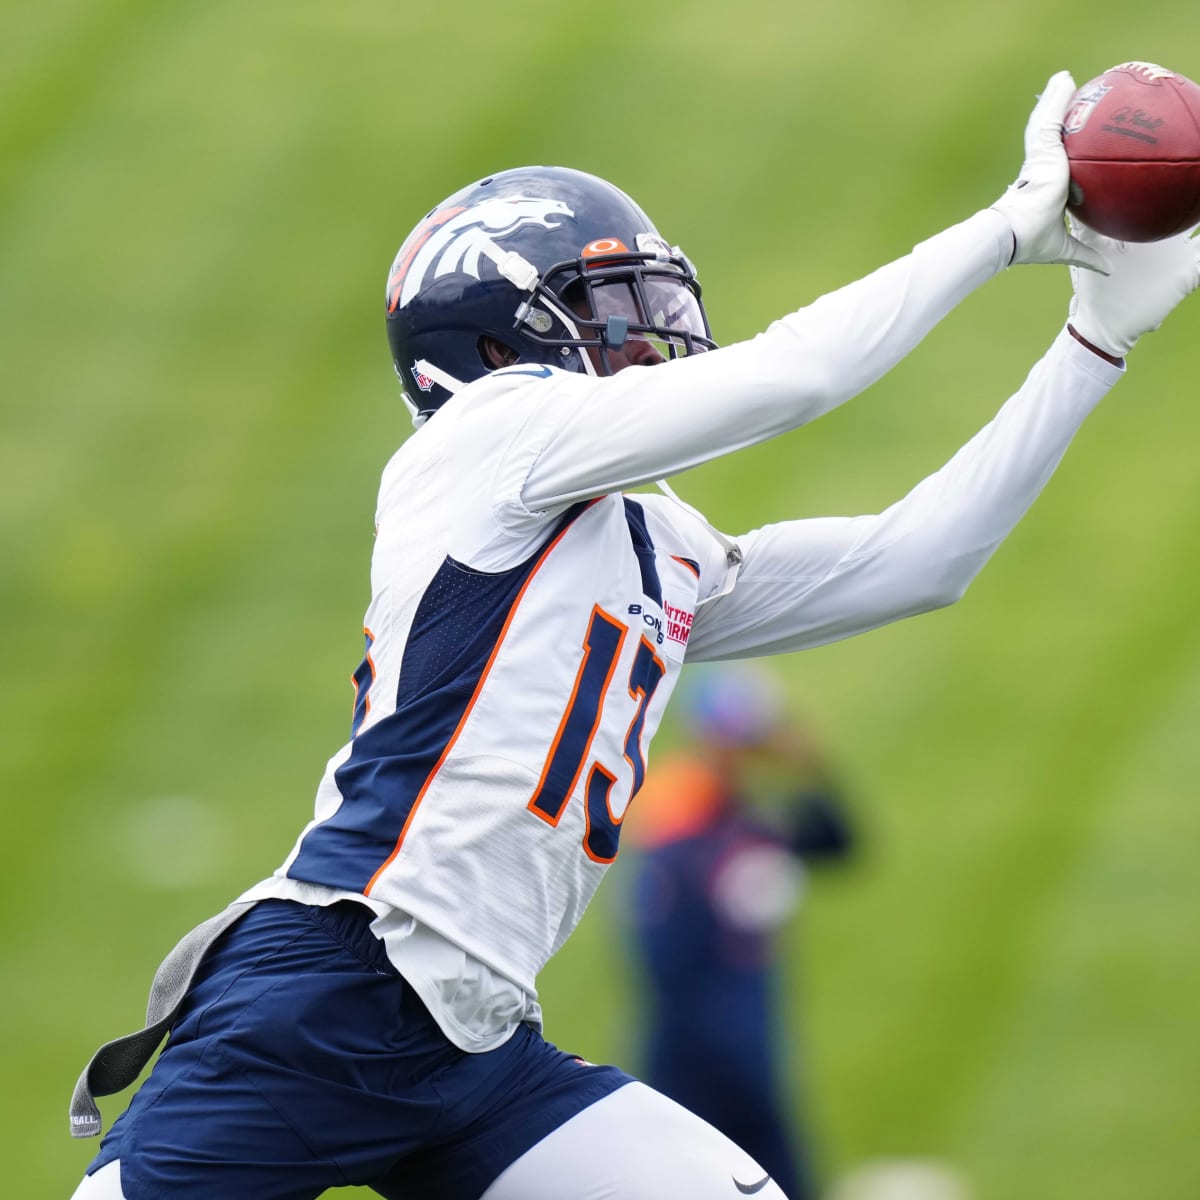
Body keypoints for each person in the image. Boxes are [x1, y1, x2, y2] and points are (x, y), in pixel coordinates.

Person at [68, 71, 1200, 1200]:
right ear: (489, 341)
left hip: (474, 1043)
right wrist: (1010, 227)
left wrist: (1092, 344)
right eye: (603, 308)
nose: (645, 334)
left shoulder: (651, 536)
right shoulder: (488, 441)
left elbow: (920, 562)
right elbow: (798, 376)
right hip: (330, 996)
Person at [626, 663, 856, 1200]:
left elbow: (840, 842)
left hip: (743, 1032)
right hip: (699, 1043)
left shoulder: (750, 818)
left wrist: (811, 768)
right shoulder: (683, 813)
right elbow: (662, 948)